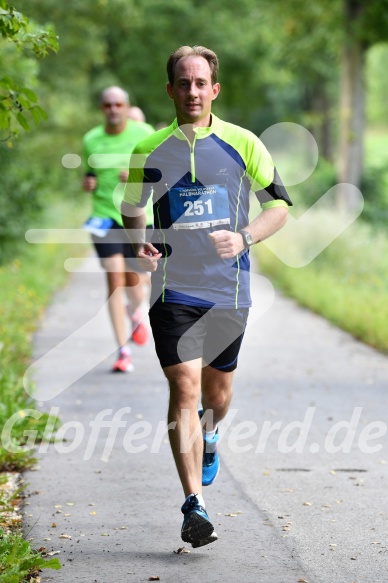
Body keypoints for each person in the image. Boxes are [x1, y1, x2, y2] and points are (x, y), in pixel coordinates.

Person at [121, 46, 292, 547]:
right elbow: (133, 208)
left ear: (214, 89)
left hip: (229, 289)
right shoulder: (148, 149)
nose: (192, 91)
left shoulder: (243, 143)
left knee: (215, 397)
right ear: (170, 89)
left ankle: (210, 436)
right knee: (185, 390)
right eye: (183, 83)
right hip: (173, 289)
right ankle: (194, 505)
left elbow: (279, 205)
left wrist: (245, 237)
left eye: (201, 83)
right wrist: (139, 243)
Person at [82, 86, 154, 373]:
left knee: (136, 280)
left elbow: (161, 171)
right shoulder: (91, 139)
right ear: (102, 108)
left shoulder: (143, 133)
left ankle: (136, 312)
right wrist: (87, 184)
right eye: (108, 105)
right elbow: (89, 176)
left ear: (126, 107)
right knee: (114, 281)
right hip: (104, 217)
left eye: (118, 104)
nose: (113, 109)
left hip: (136, 216)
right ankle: (123, 351)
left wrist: (139, 174)